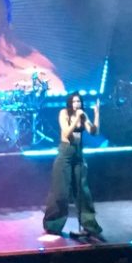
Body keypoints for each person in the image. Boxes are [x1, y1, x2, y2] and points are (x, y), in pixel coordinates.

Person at [42, 93, 102, 240]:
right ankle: (53, 225)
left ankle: (89, 226)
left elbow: (94, 132)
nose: (77, 104)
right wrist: (76, 118)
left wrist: (96, 114)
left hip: (78, 154)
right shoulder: (64, 113)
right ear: (70, 103)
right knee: (60, 191)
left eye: (79, 101)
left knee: (82, 191)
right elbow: (67, 132)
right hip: (65, 153)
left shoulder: (83, 115)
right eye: (74, 102)